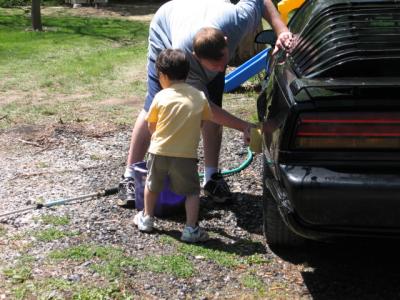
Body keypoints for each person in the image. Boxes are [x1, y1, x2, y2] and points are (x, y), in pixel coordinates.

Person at [118, 0, 293, 207]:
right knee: (154, 104)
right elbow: (204, 108)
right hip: (167, 25)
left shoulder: (238, 20)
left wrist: (281, 30)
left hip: (208, 16)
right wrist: (246, 126)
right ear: (195, 57)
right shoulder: (183, 54)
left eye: (223, 60)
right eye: (214, 65)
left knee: (213, 102)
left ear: (226, 42)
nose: (221, 69)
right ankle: (130, 176)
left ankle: (211, 177)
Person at [133, 48, 211, 242]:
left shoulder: (160, 96)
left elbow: (151, 125)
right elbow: (201, 123)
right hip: (186, 154)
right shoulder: (199, 96)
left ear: (163, 75)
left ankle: (147, 218)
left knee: (152, 186)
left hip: (158, 151)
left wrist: (160, 137)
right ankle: (191, 228)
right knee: (192, 191)